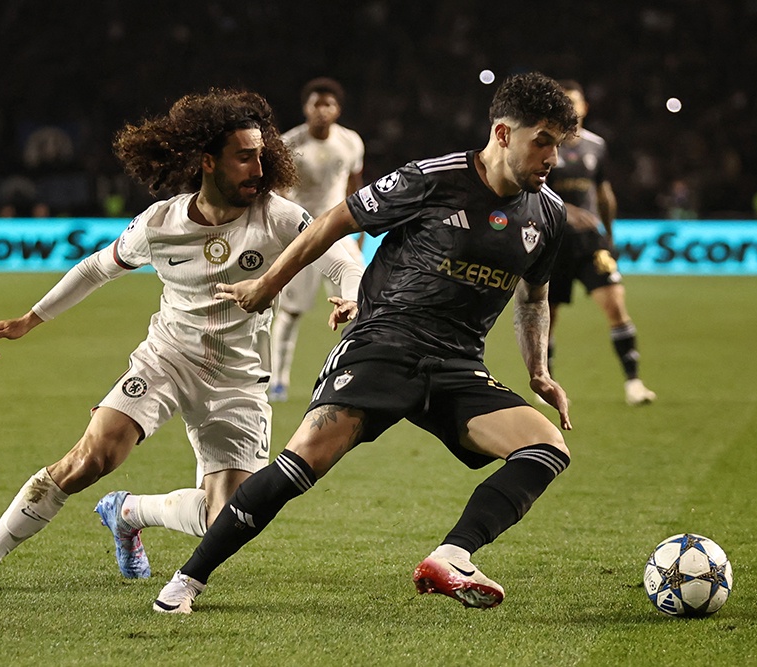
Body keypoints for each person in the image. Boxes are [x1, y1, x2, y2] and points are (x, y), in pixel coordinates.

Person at [149, 72, 579, 615]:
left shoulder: (548, 214)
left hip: (456, 366)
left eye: (558, 145)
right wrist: (269, 284)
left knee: (546, 447)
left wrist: (539, 372)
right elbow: (333, 221)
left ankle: (452, 555)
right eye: (542, 141)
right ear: (502, 133)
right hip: (384, 345)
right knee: (301, 465)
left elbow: (534, 298)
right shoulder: (431, 179)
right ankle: (185, 582)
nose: (552, 157)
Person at [0, 88, 364, 594]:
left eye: (262, 155)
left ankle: (129, 512)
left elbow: (341, 258)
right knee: (92, 457)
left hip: (238, 379)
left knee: (223, 518)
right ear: (207, 161)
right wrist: (31, 318)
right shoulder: (161, 222)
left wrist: (350, 295)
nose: (259, 168)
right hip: (168, 358)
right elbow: (96, 268)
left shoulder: (279, 217)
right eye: (244, 157)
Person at [545, 80, 656, 406]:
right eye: (564, 101)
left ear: (584, 107)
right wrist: (565, 210)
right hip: (552, 244)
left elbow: (604, 193)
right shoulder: (543, 144)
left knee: (616, 305)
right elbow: (529, 193)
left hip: (591, 243)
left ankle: (634, 382)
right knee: (546, 318)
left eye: (575, 101)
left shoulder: (596, 145)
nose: (571, 107)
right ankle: (545, 382)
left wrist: (609, 236)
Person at [269, 77, 366, 401]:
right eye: (316, 104)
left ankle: (350, 374)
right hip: (301, 234)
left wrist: (359, 230)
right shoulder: (289, 143)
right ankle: (278, 380)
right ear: (306, 108)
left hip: (339, 232)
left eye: (329, 104)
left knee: (358, 304)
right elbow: (277, 192)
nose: (322, 110)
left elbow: (354, 186)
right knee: (291, 311)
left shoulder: (350, 142)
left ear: (337, 109)